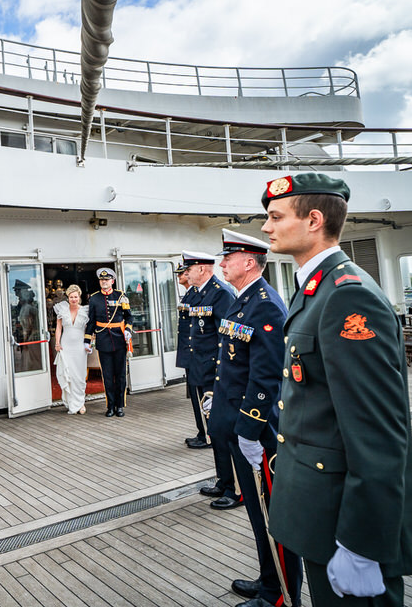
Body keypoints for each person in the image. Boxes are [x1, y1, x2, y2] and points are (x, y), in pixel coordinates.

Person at [261, 173, 412, 606]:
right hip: (321, 513)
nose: (266, 227)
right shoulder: (316, 290)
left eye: (275, 216)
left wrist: (361, 545)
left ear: (314, 219)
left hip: (345, 524)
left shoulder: (346, 296)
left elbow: (377, 432)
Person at [209, 229, 302, 607]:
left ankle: (278, 594)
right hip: (238, 426)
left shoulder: (264, 304)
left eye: (228, 258)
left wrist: (249, 429)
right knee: (257, 515)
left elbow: (266, 377)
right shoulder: (242, 300)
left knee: (270, 516)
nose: (222, 264)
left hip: (257, 433)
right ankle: (268, 581)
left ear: (249, 262)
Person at [184, 250, 241, 509]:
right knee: (215, 431)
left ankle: (235, 488)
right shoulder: (199, 294)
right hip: (202, 372)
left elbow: (228, 338)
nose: (186, 274)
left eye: (190, 268)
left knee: (225, 432)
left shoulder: (220, 293)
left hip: (215, 375)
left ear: (203, 269)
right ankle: (223, 480)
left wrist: (221, 375)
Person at [83, 267, 131, 417]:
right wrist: (87, 340)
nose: (104, 282)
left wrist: (128, 329)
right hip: (103, 340)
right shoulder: (94, 298)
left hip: (119, 340)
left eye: (107, 280)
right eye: (102, 280)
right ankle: (110, 406)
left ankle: (120, 406)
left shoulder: (121, 296)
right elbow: (91, 321)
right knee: (108, 376)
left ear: (112, 281)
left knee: (121, 375)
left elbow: (129, 317)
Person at [174, 259, 202, 448]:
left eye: (182, 272)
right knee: (195, 397)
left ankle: (206, 434)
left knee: (202, 398)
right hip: (190, 354)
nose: (180, 276)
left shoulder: (197, 294)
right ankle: (202, 431)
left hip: (199, 356)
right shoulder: (189, 294)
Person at [53, 284, 89, 414]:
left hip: (80, 347)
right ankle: (70, 402)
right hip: (66, 345)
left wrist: (90, 341)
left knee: (79, 375)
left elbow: (89, 329)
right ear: (68, 297)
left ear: (79, 297)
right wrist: (57, 343)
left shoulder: (85, 311)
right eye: (71, 297)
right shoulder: (62, 309)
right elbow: (59, 328)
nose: (73, 299)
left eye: (76, 297)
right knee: (68, 373)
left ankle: (80, 403)